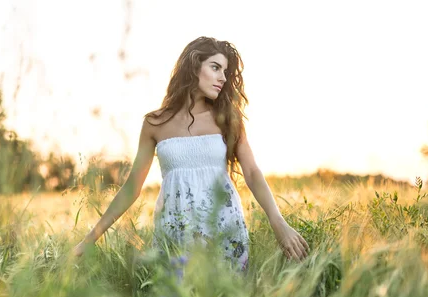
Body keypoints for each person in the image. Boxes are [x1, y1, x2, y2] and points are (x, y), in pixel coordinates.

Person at [73, 37, 309, 267]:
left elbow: (252, 172)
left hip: (224, 232)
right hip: (176, 235)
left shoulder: (227, 119)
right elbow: (132, 187)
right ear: (194, 66)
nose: (222, 78)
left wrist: (278, 222)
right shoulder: (155, 123)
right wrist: (90, 239)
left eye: (225, 71)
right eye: (215, 67)